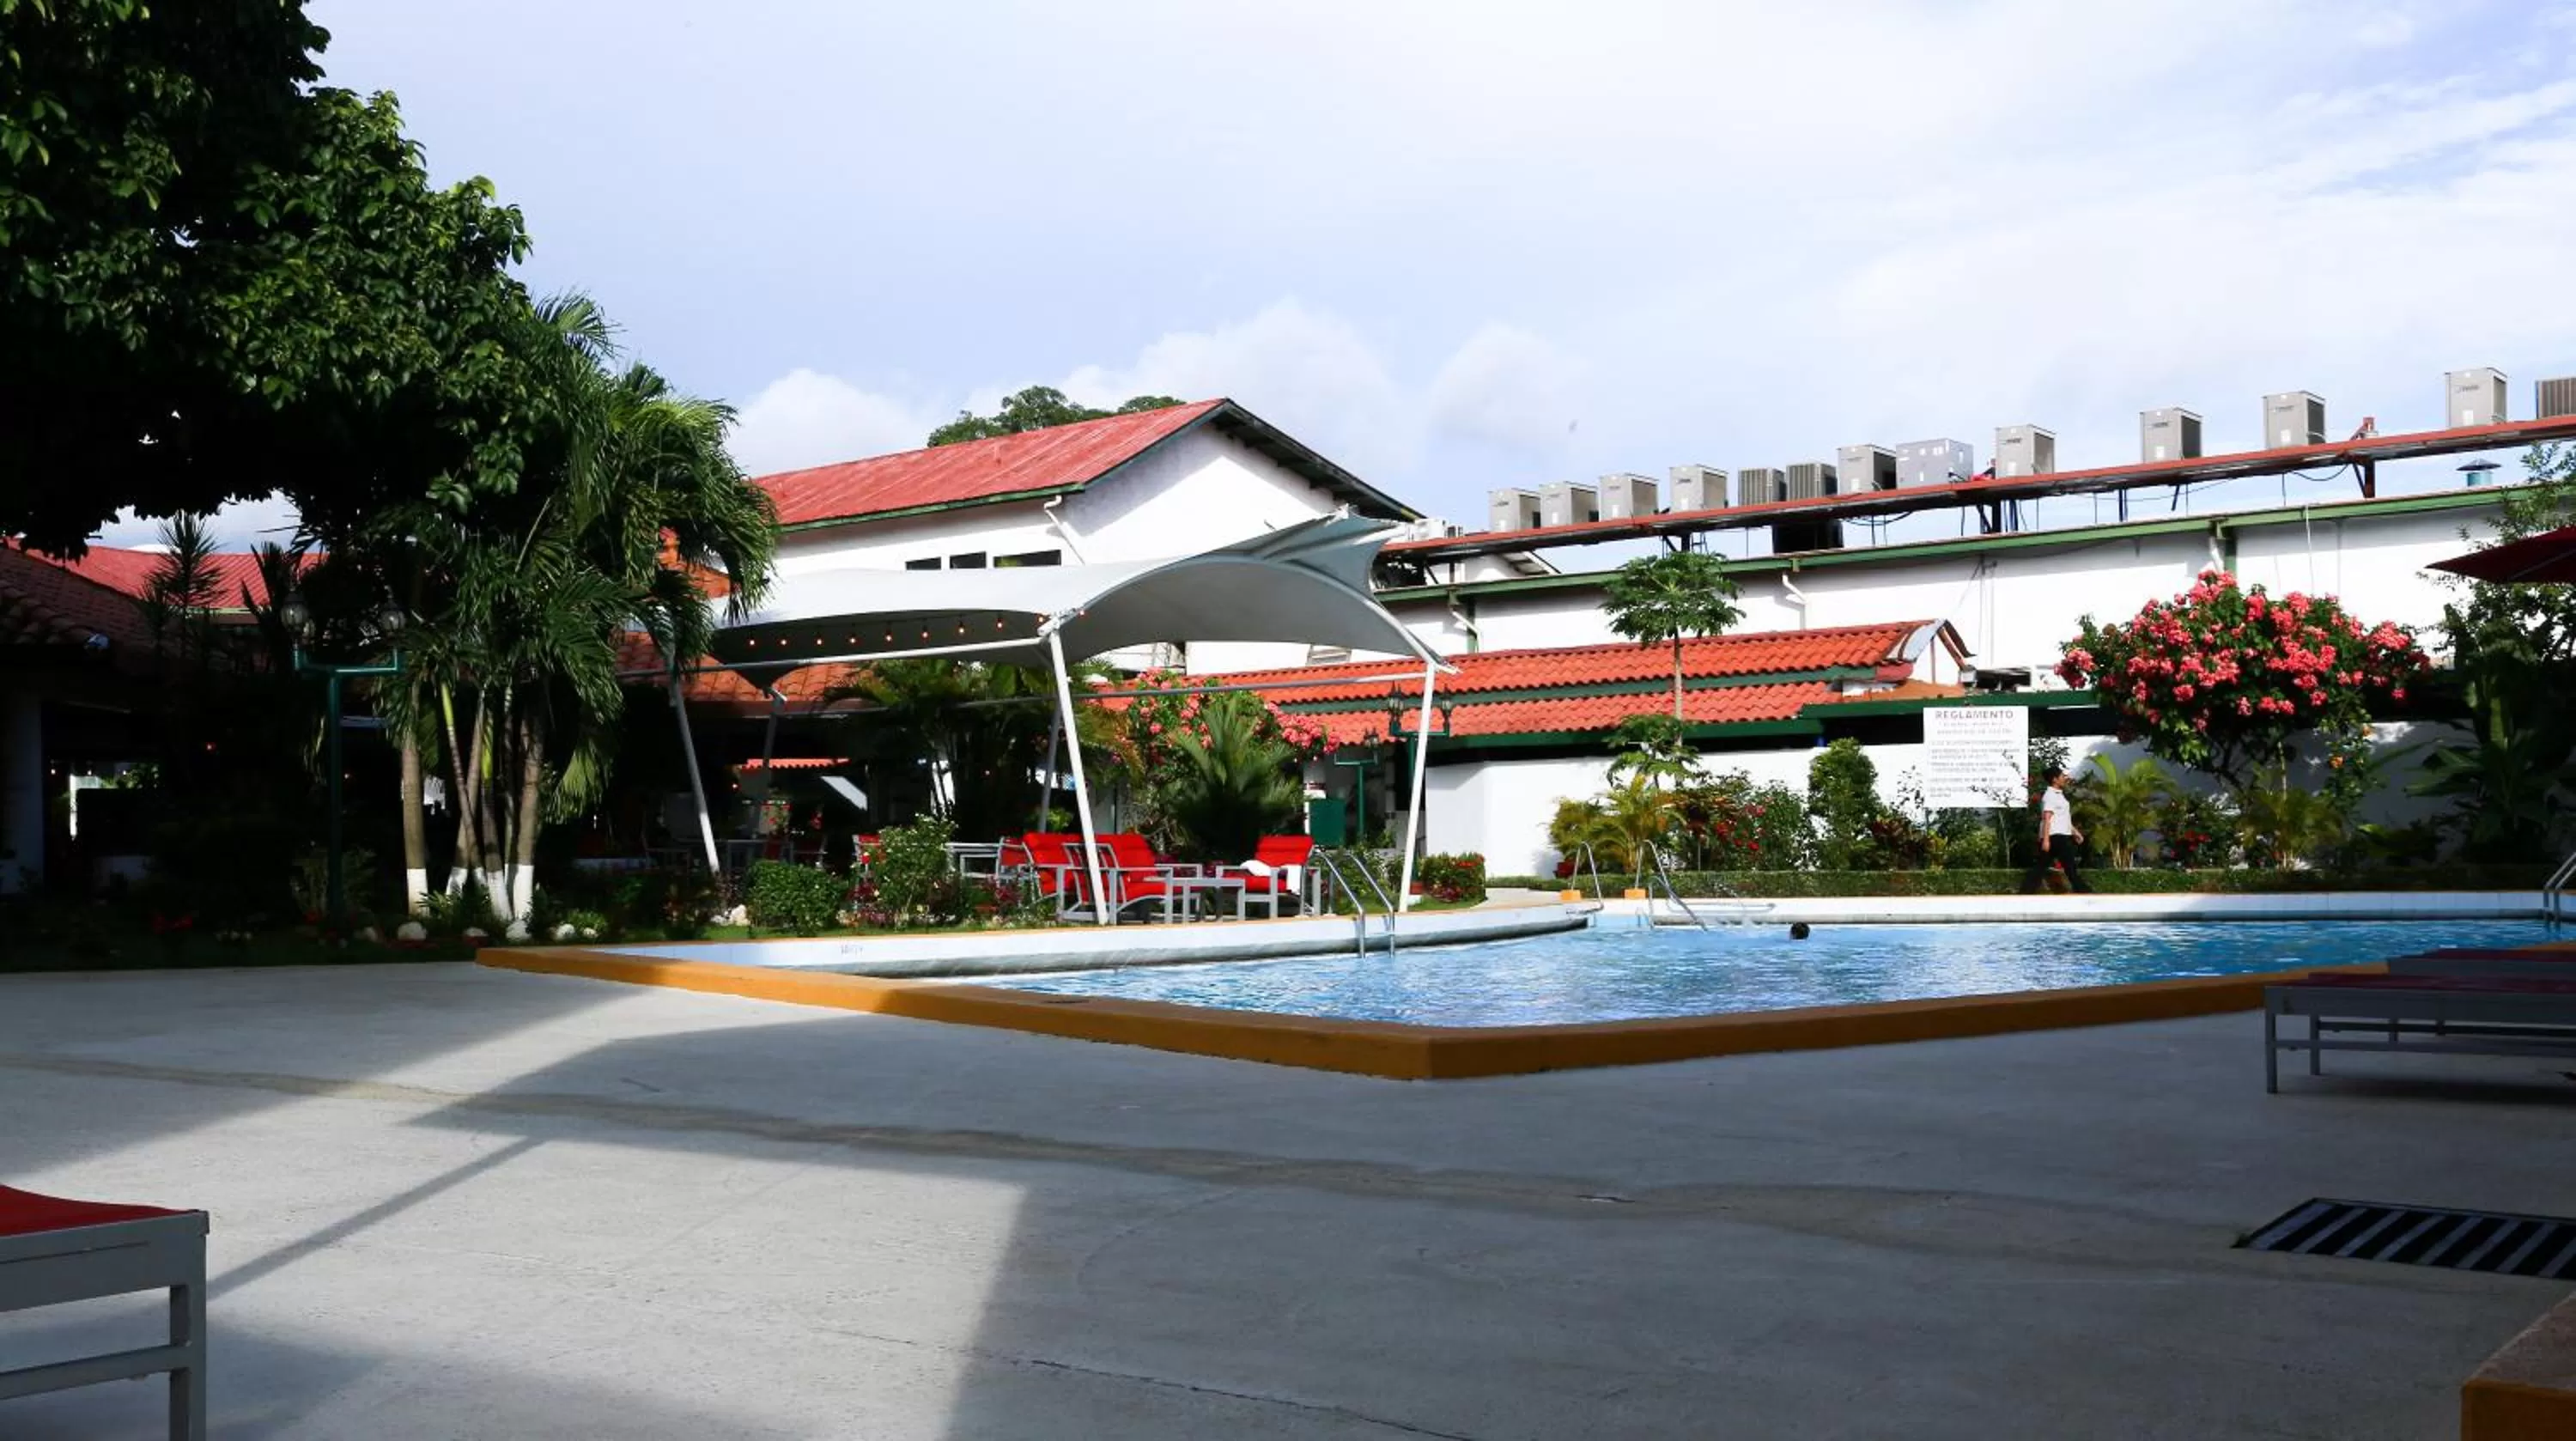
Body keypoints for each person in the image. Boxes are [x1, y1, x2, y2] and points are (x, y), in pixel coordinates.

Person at [2023, 765, 2093, 894]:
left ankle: (2025, 892)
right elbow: (2047, 818)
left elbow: (2063, 819)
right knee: (2070, 867)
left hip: (2058, 835)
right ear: (2055, 780)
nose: (2064, 778)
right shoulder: (2049, 796)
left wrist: (2075, 832)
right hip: (2055, 837)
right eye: (2062, 776)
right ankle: (2084, 892)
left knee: (2040, 868)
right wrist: (2046, 840)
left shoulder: (2060, 795)